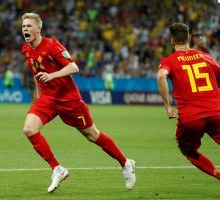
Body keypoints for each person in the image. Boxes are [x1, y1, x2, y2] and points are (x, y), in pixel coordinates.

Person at [21, 12, 136, 193]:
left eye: (29, 26)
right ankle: (58, 169)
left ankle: (126, 163)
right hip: (48, 99)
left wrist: (52, 76)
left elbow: (74, 67)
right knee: (29, 129)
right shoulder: (26, 49)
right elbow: (37, 75)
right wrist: (39, 97)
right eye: (23, 26)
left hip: (69, 99)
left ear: (38, 28)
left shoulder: (52, 45)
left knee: (92, 135)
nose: (25, 29)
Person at [157, 22, 220, 180]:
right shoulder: (206, 57)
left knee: (185, 148)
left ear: (172, 41)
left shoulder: (169, 61)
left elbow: (160, 76)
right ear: (189, 38)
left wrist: (168, 107)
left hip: (191, 117)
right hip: (217, 112)